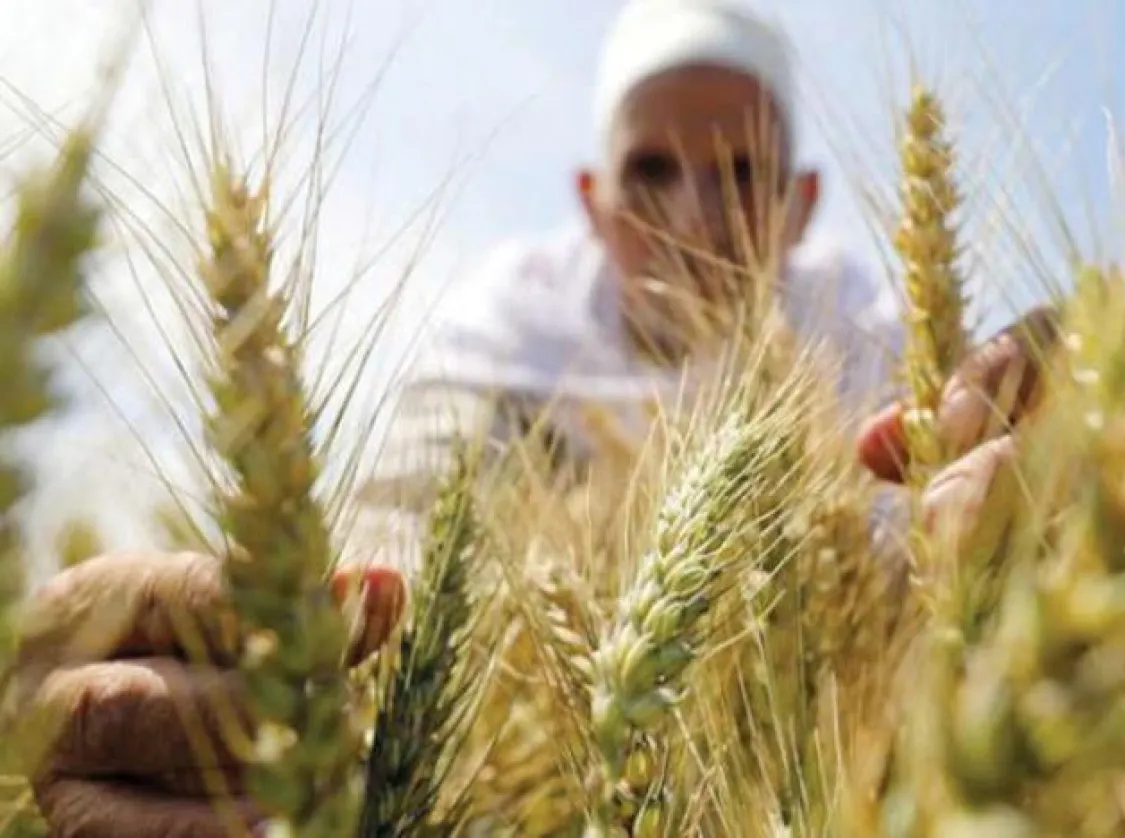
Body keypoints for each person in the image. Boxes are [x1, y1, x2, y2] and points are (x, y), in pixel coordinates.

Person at [10, 1, 1057, 835]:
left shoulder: (874, 332)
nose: (696, 217)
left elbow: (916, 581)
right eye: (653, 171)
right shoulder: (515, 316)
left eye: (743, 171)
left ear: (801, 204)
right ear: (595, 200)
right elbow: (411, 515)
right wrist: (295, 644)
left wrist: (1060, 477)